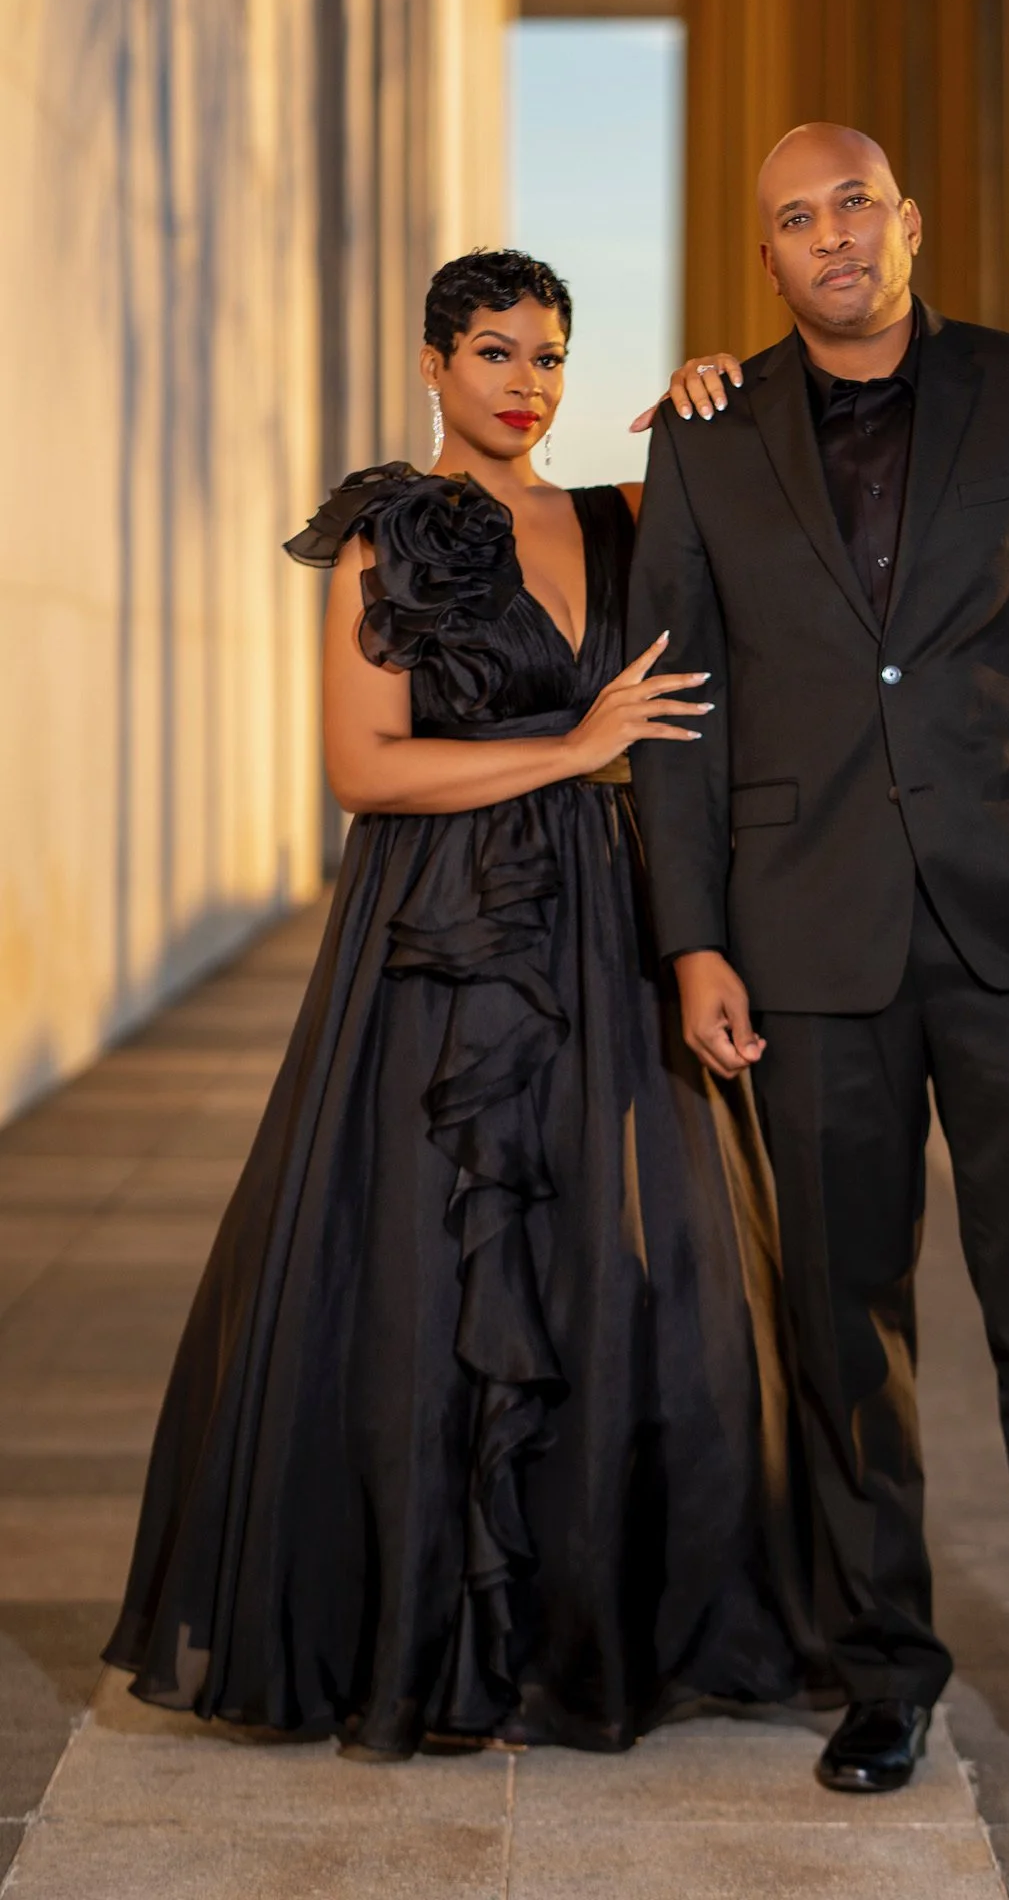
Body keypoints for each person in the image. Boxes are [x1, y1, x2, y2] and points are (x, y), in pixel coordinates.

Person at [106, 248, 819, 1759]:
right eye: (496, 354)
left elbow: (797, 496)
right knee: (433, 1272)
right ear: (433, 364)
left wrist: (723, 392)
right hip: (440, 931)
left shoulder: (626, 519)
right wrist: (576, 750)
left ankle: (588, 1633)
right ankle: (434, 1642)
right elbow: (365, 771)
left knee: (622, 1267)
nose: (528, 386)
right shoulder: (392, 535)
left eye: (551, 357)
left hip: (611, 921)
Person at [626, 123, 1009, 1802]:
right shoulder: (704, 445)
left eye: (852, 202)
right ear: (771, 260)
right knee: (841, 1326)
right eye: (792, 219)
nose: (830, 236)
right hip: (803, 945)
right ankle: (884, 1673)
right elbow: (678, 717)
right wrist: (695, 936)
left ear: (908, 221)